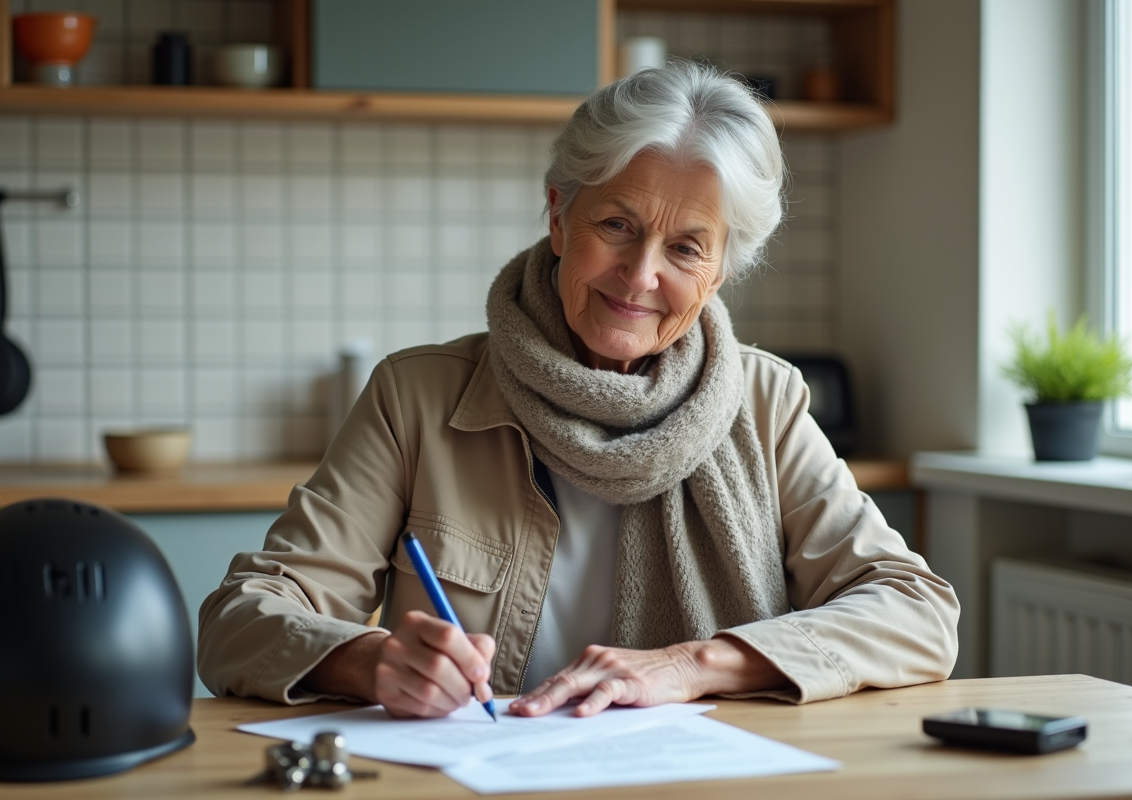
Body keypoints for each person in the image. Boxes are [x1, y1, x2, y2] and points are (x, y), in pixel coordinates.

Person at [198, 61, 959, 720]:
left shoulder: (767, 402)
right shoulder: (416, 396)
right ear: (560, 217)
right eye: (618, 225)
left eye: (686, 247)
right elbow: (239, 620)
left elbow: (916, 611)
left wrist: (694, 664)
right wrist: (369, 660)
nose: (640, 275)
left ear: (721, 271)